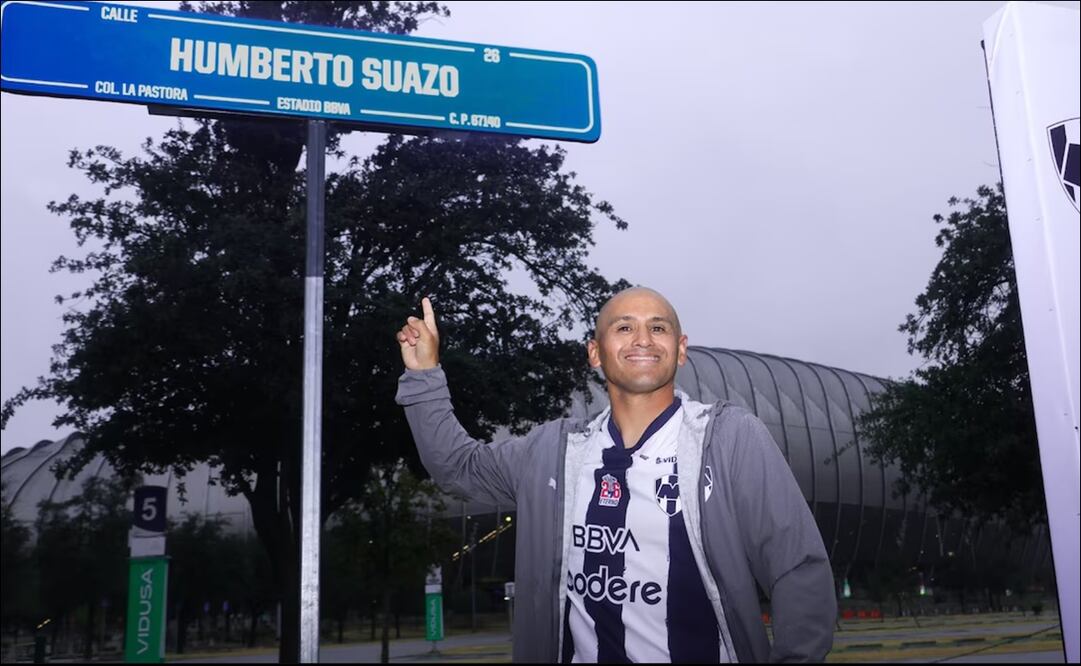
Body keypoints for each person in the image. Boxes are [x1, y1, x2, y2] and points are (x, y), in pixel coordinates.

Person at [395, 288, 835, 663]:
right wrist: (423, 376)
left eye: (658, 328)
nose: (643, 338)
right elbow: (458, 467)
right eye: (624, 327)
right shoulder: (554, 452)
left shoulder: (730, 440)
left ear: (680, 349)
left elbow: (798, 568)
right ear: (595, 352)